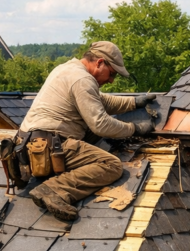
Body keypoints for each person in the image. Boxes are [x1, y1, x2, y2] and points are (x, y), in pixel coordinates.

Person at [19, 41, 156, 221]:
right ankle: (54, 190)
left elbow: (100, 102)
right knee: (112, 166)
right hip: (48, 147)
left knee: (106, 131)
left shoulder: (68, 69)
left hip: (30, 143)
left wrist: (134, 102)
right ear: (99, 63)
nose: (111, 80)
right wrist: (135, 129)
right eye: (112, 74)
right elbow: (100, 124)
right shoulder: (83, 80)